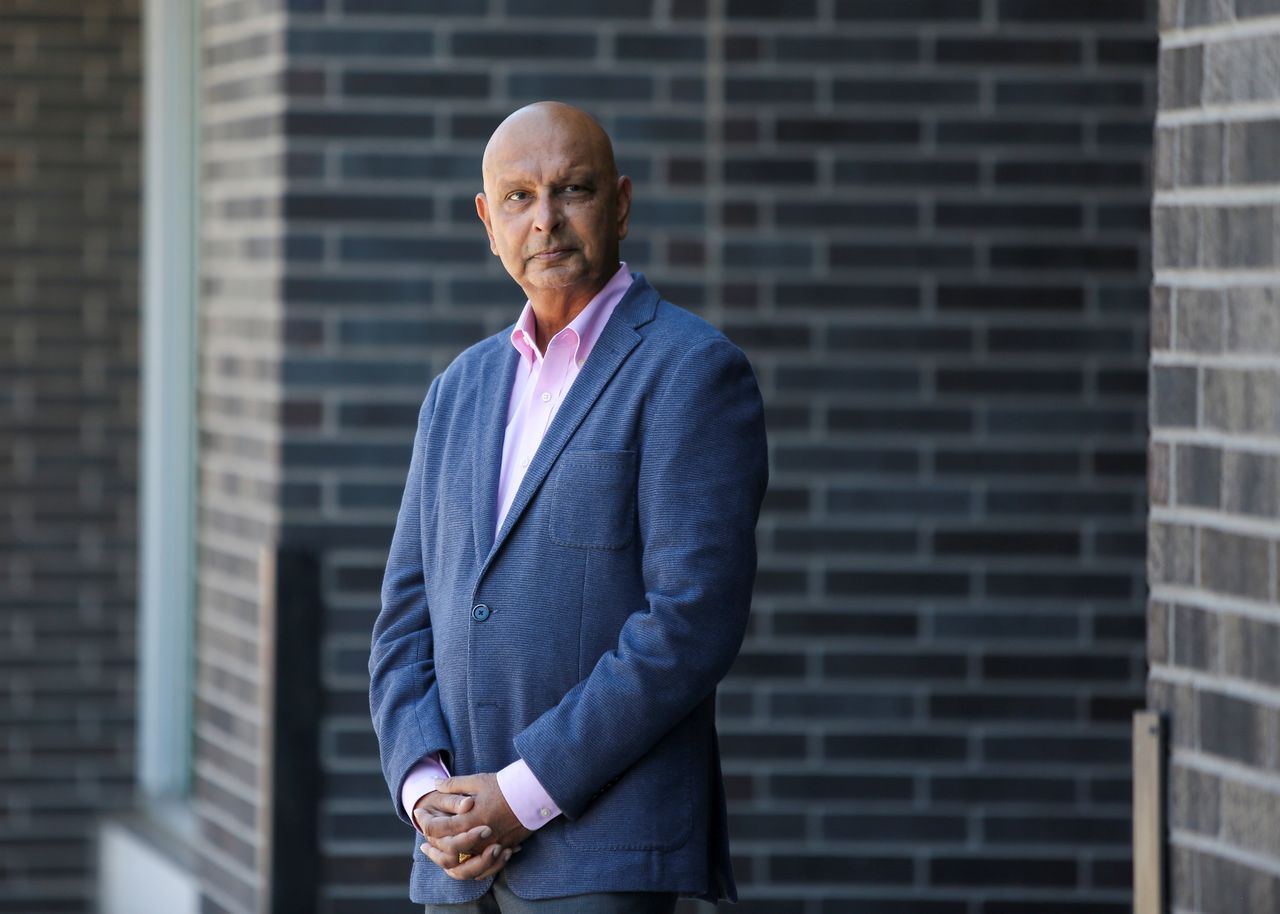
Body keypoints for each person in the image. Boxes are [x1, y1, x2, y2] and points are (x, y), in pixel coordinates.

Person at [368, 100, 769, 913]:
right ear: (487, 221)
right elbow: (404, 621)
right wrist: (426, 793)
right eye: (518, 198)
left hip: (603, 863)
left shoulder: (691, 372)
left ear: (619, 203)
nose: (544, 220)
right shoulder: (458, 390)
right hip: (453, 868)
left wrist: (521, 794)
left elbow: (689, 624)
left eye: (571, 190)